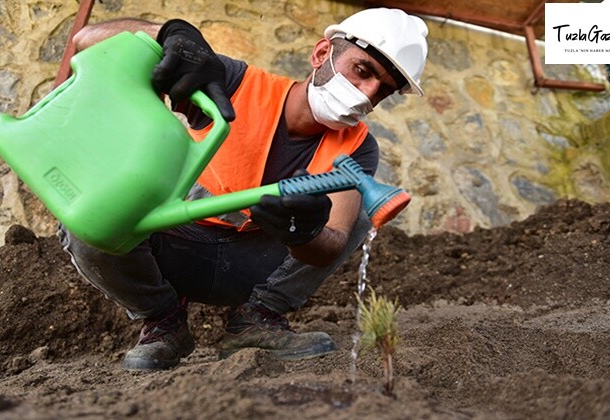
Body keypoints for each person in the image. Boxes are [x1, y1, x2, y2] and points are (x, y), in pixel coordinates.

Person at [58, 7, 429, 371]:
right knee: (88, 216)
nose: (367, 94)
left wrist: (305, 233)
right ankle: (164, 321)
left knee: (361, 209)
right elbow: (85, 40)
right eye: (362, 71)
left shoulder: (358, 146)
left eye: (383, 91)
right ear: (321, 54)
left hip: (251, 267)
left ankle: (255, 321)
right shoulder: (234, 81)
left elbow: (331, 244)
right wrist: (171, 32)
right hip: (173, 248)